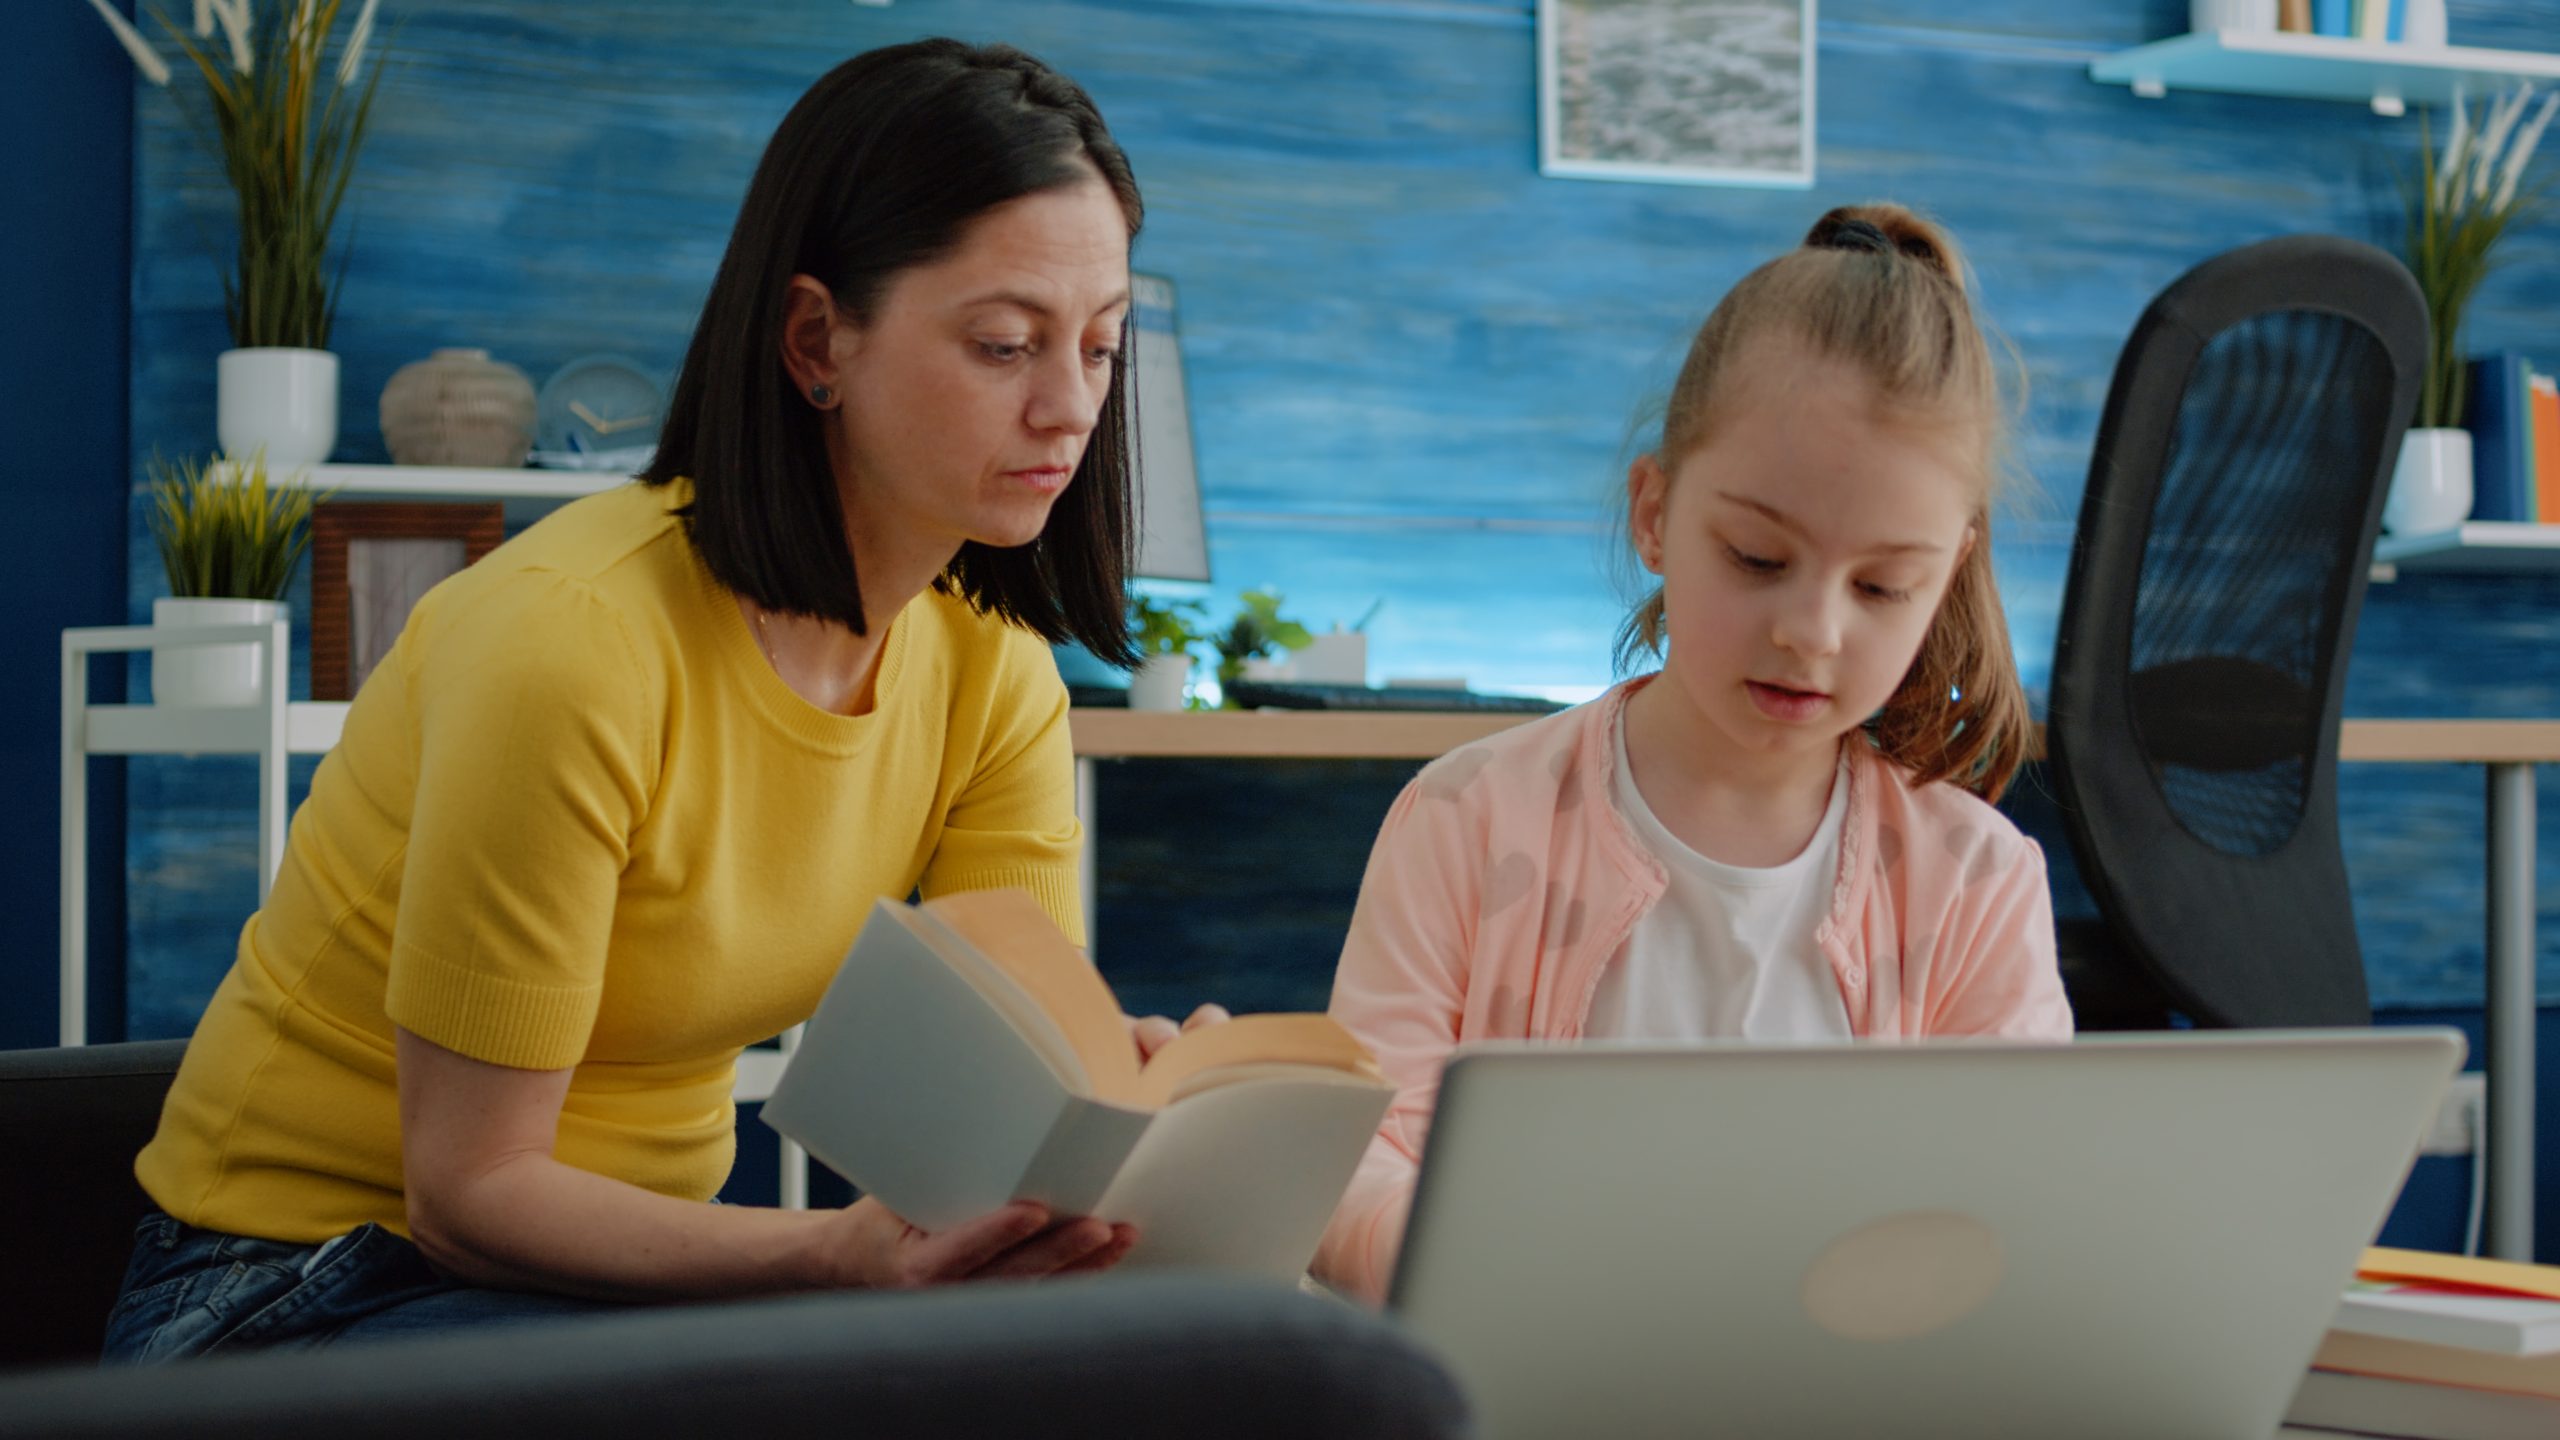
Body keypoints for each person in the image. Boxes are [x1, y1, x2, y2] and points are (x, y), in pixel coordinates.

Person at [106, 38, 1221, 1361]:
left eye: (1099, 351)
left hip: (617, 1303)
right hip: (296, 1287)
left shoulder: (995, 678)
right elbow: (469, 1199)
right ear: (817, 340)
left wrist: (1119, 1114)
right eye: (1003, 344)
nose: (1068, 407)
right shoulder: (570, 649)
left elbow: (1003, 1095)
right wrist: (836, 1257)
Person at [1310, 205, 2074, 1305]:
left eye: (1880, 588)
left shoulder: (1977, 882)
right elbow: (1357, 1158)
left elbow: (2021, 1210)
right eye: (1757, 557)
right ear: (1654, 513)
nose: (1811, 631)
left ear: (1947, 574)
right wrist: (1501, 1282)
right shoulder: (1467, 816)